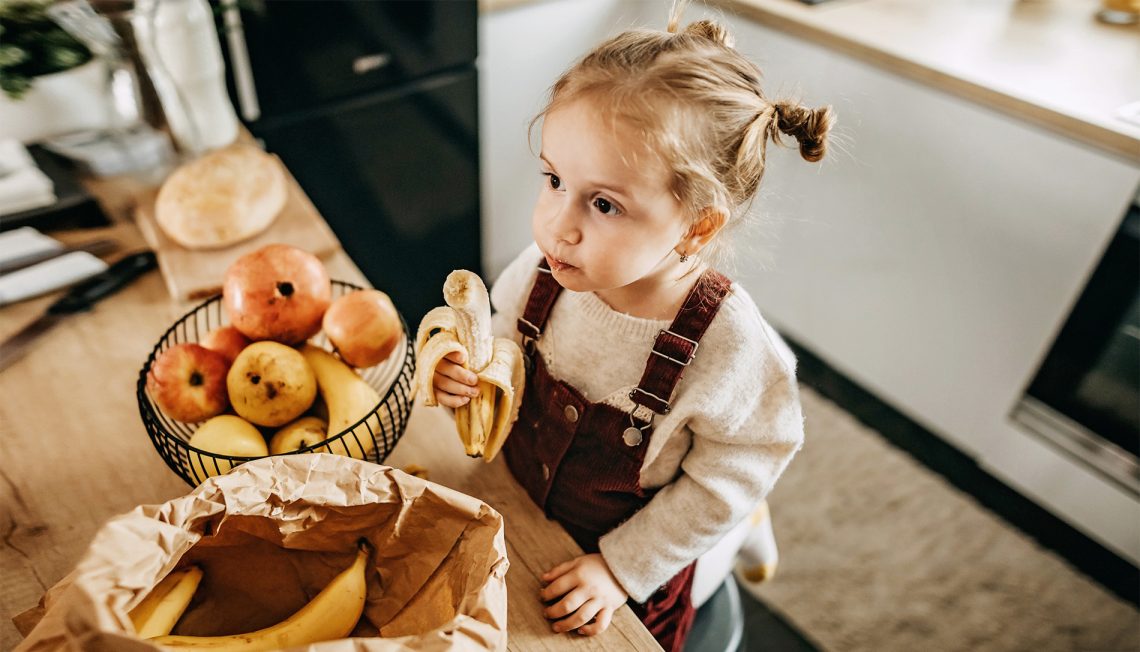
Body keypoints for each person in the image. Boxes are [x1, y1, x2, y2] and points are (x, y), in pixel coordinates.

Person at [431, 1, 833, 649]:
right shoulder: (543, 272)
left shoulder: (726, 346)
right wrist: (468, 373)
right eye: (554, 179)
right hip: (514, 509)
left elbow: (739, 466)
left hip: (612, 583)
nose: (559, 224)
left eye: (605, 203)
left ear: (698, 224)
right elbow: (505, 345)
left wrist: (623, 568)